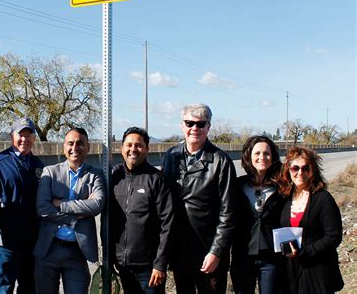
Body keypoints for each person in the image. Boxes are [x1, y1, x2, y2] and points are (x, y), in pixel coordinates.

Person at [162, 104, 236, 294]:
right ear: (182, 126)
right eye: (190, 123)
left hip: (208, 252)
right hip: (180, 251)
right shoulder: (171, 156)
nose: (195, 128)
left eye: (200, 124)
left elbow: (228, 213)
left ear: (208, 127)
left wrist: (216, 252)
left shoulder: (221, 161)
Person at [33, 127, 106, 294]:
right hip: (48, 250)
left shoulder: (95, 175)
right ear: (63, 147)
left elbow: (97, 204)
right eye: (70, 143)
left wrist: (61, 204)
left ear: (88, 147)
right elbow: (43, 209)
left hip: (77, 252)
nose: (75, 148)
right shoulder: (50, 172)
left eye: (80, 143)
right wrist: (74, 218)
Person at [0, 117, 45, 293]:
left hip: (32, 239)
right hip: (6, 241)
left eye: (29, 135)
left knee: (30, 284)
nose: (24, 139)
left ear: (34, 138)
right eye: (20, 135)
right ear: (11, 136)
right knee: (5, 285)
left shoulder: (39, 166)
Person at [111, 126, 174, 293]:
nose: (133, 149)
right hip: (122, 266)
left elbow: (167, 225)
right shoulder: (114, 176)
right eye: (129, 145)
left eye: (138, 145)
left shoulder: (157, 180)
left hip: (149, 268)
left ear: (147, 148)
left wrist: (160, 264)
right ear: (121, 148)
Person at [277, 146, 344, 294]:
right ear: (288, 170)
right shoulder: (284, 199)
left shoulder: (323, 199)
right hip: (291, 273)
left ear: (312, 171)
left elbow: (334, 237)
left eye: (305, 168)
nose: (300, 173)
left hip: (317, 271)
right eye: (295, 168)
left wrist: (304, 252)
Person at [230, 135, 284, 294]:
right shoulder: (237, 185)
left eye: (267, 153)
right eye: (257, 153)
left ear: (273, 157)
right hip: (242, 255)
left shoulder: (282, 187)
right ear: (249, 156)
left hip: (272, 258)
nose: (262, 157)